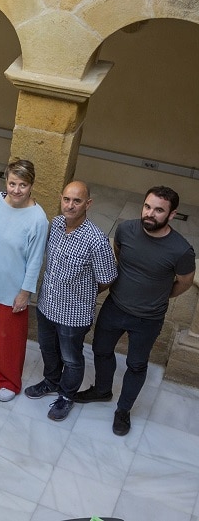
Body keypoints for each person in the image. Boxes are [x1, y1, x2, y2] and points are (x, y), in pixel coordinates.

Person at [76, 186, 195, 436]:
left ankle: (123, 410)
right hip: (115, 306)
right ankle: (102, 390)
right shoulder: (125, 229)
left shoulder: (181, 250)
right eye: (147, 206)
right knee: (100, 350)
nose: (150, 214)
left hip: (148, 319)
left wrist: (160, 296)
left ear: (172, 215)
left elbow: (184, 282)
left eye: (159, 210)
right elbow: (119, 257)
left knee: (137, 364)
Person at [24, 182, 117, 421]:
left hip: (73, 315)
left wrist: (85, 295)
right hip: (46, 305)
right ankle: (51, 381)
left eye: (77, 201)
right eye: (66, 199)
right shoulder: (55, 225)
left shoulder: (96, 240)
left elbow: (107, 278)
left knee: (71, 358)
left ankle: (66, 395)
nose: (70, 205)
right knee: (47, 349)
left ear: (88, 204)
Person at [0, 158, 49, 402]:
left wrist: (25, 292)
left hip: (13, 284)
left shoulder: (38, 219)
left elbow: (36, 260)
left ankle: (8, 380)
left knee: (9, 337)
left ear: (31, 185)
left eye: (22, 185)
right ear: (6, 181)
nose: (16, 190)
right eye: (13, 183)